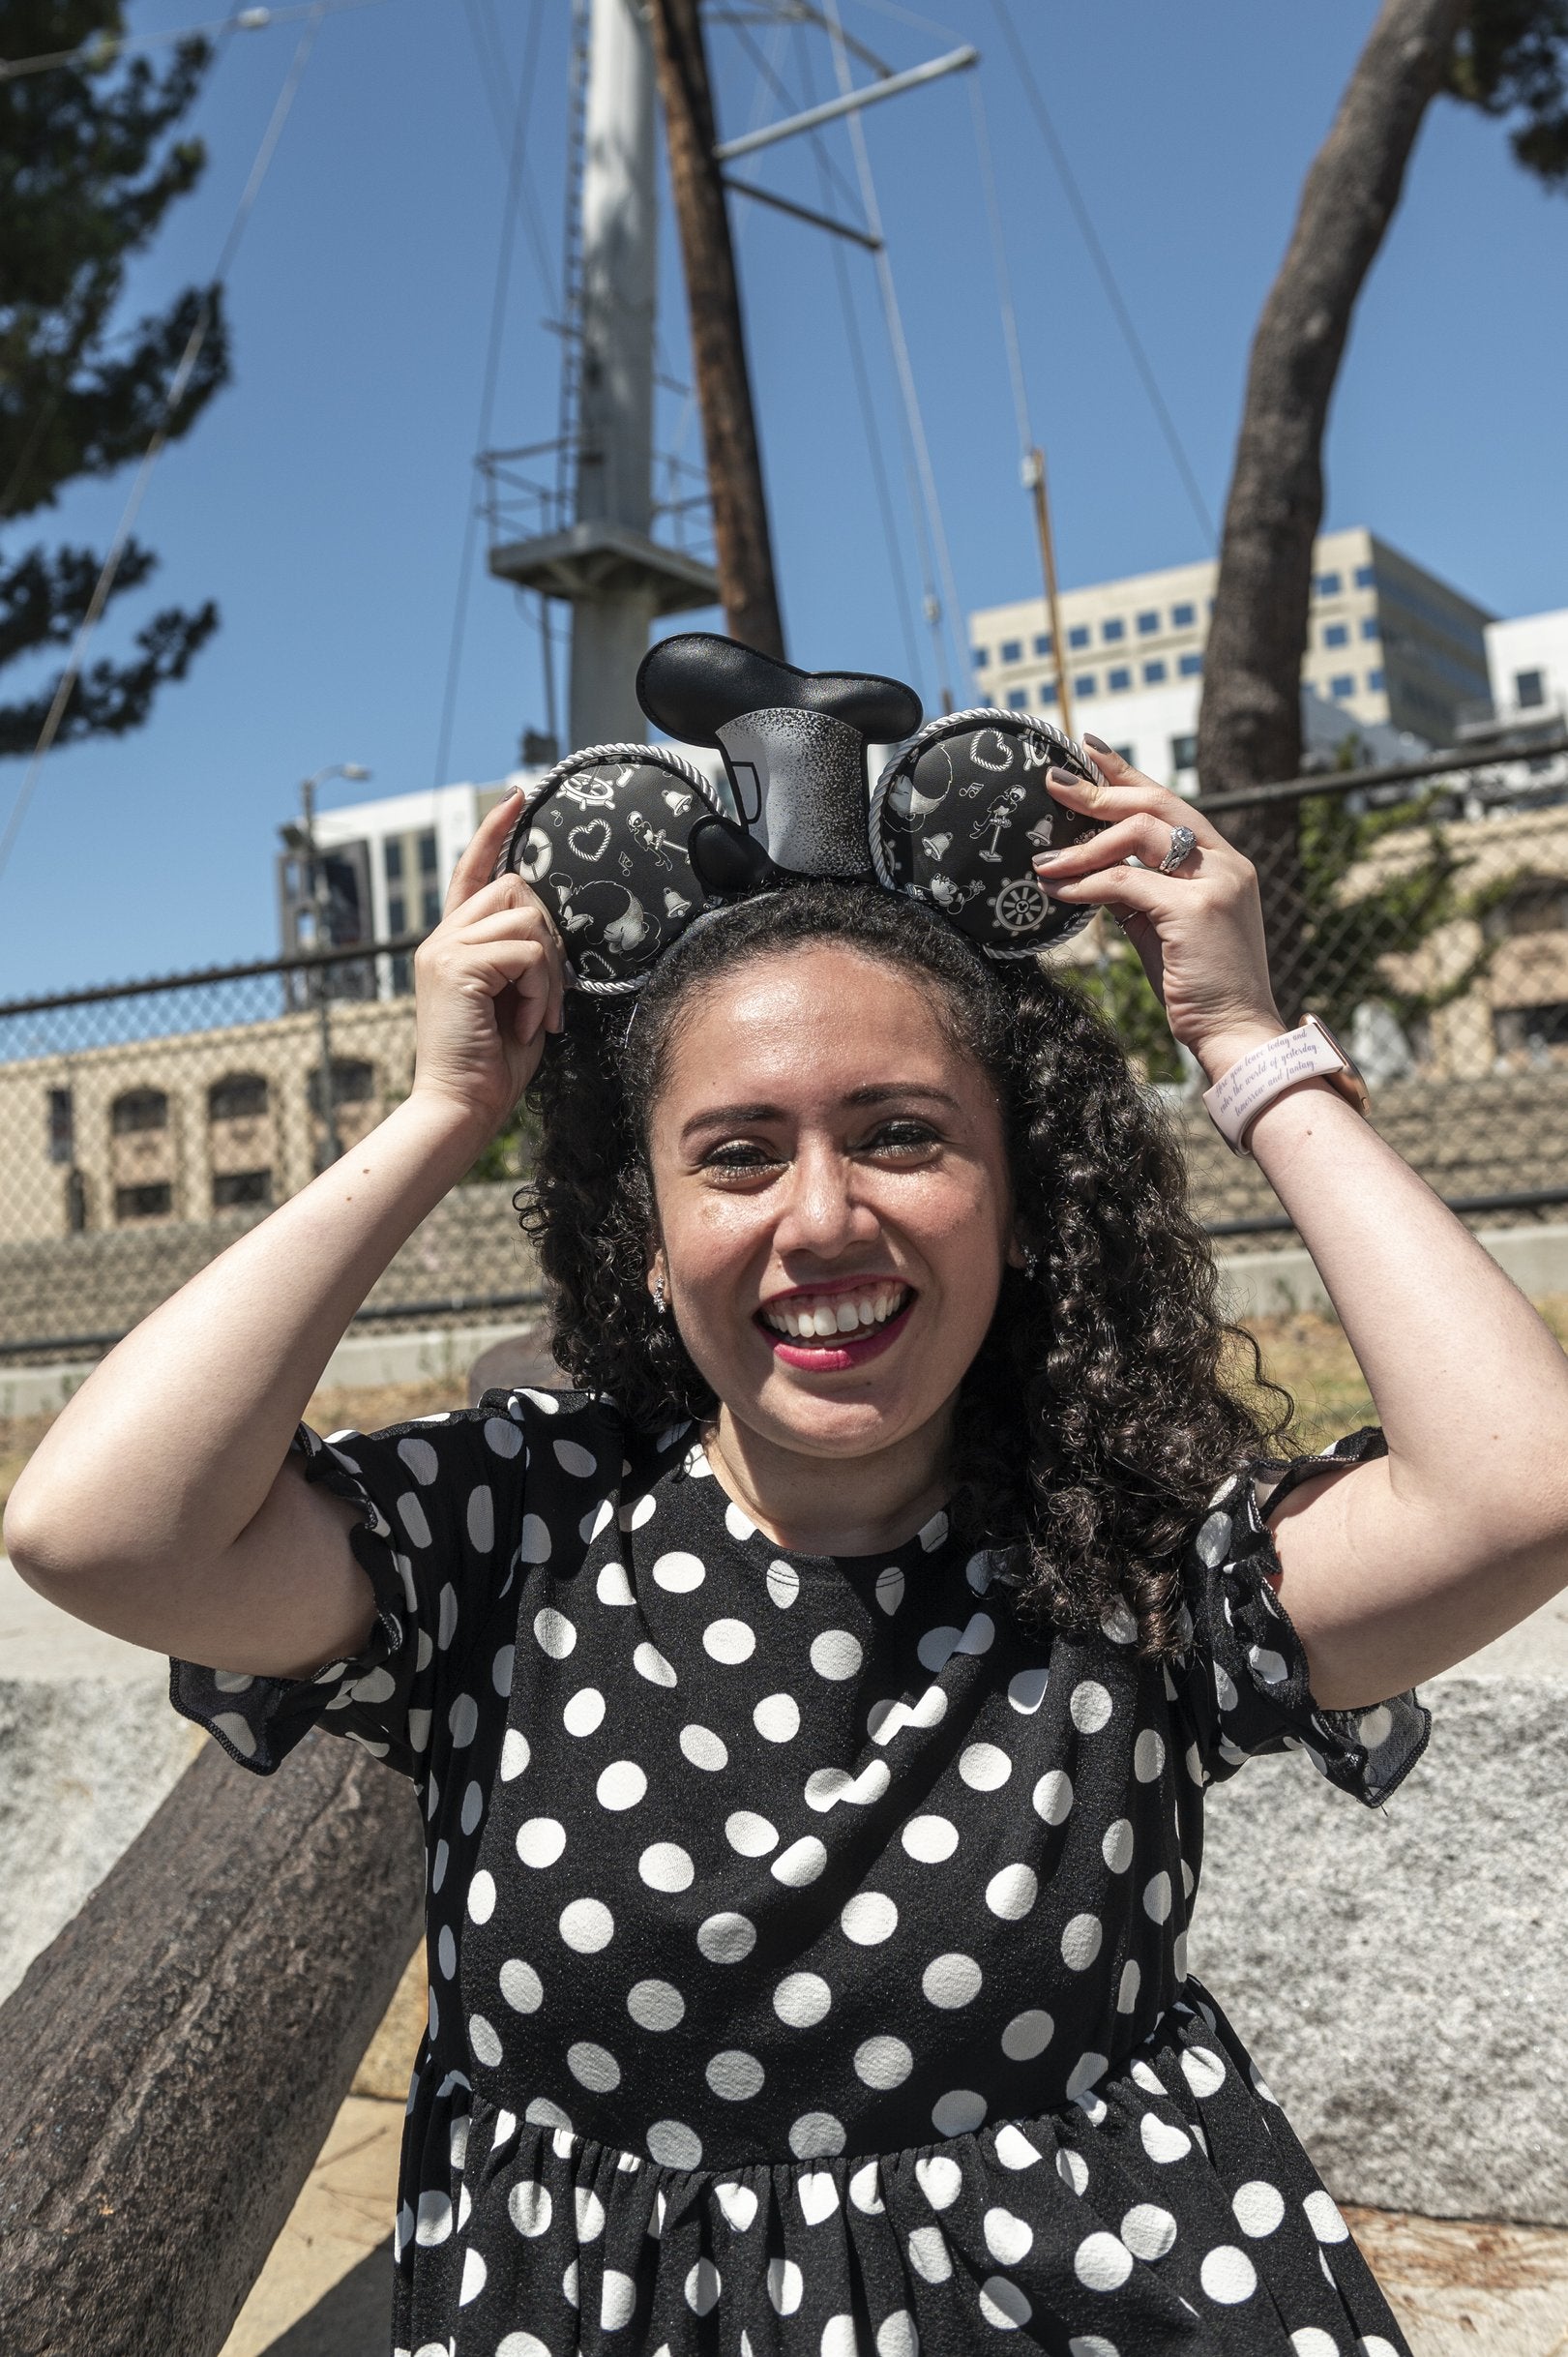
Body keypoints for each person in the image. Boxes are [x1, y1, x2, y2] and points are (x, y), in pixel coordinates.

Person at [10, 638, 1568, 2357]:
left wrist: (1246, 1037)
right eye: (735, 1154)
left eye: (901, 1133)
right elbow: (100, 1528)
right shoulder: (510, 1537)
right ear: (651, 1233)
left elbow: (1521, 1486)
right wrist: (448, 1106)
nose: (819, 1218)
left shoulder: (1122, 1550)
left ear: (1021, 1196)